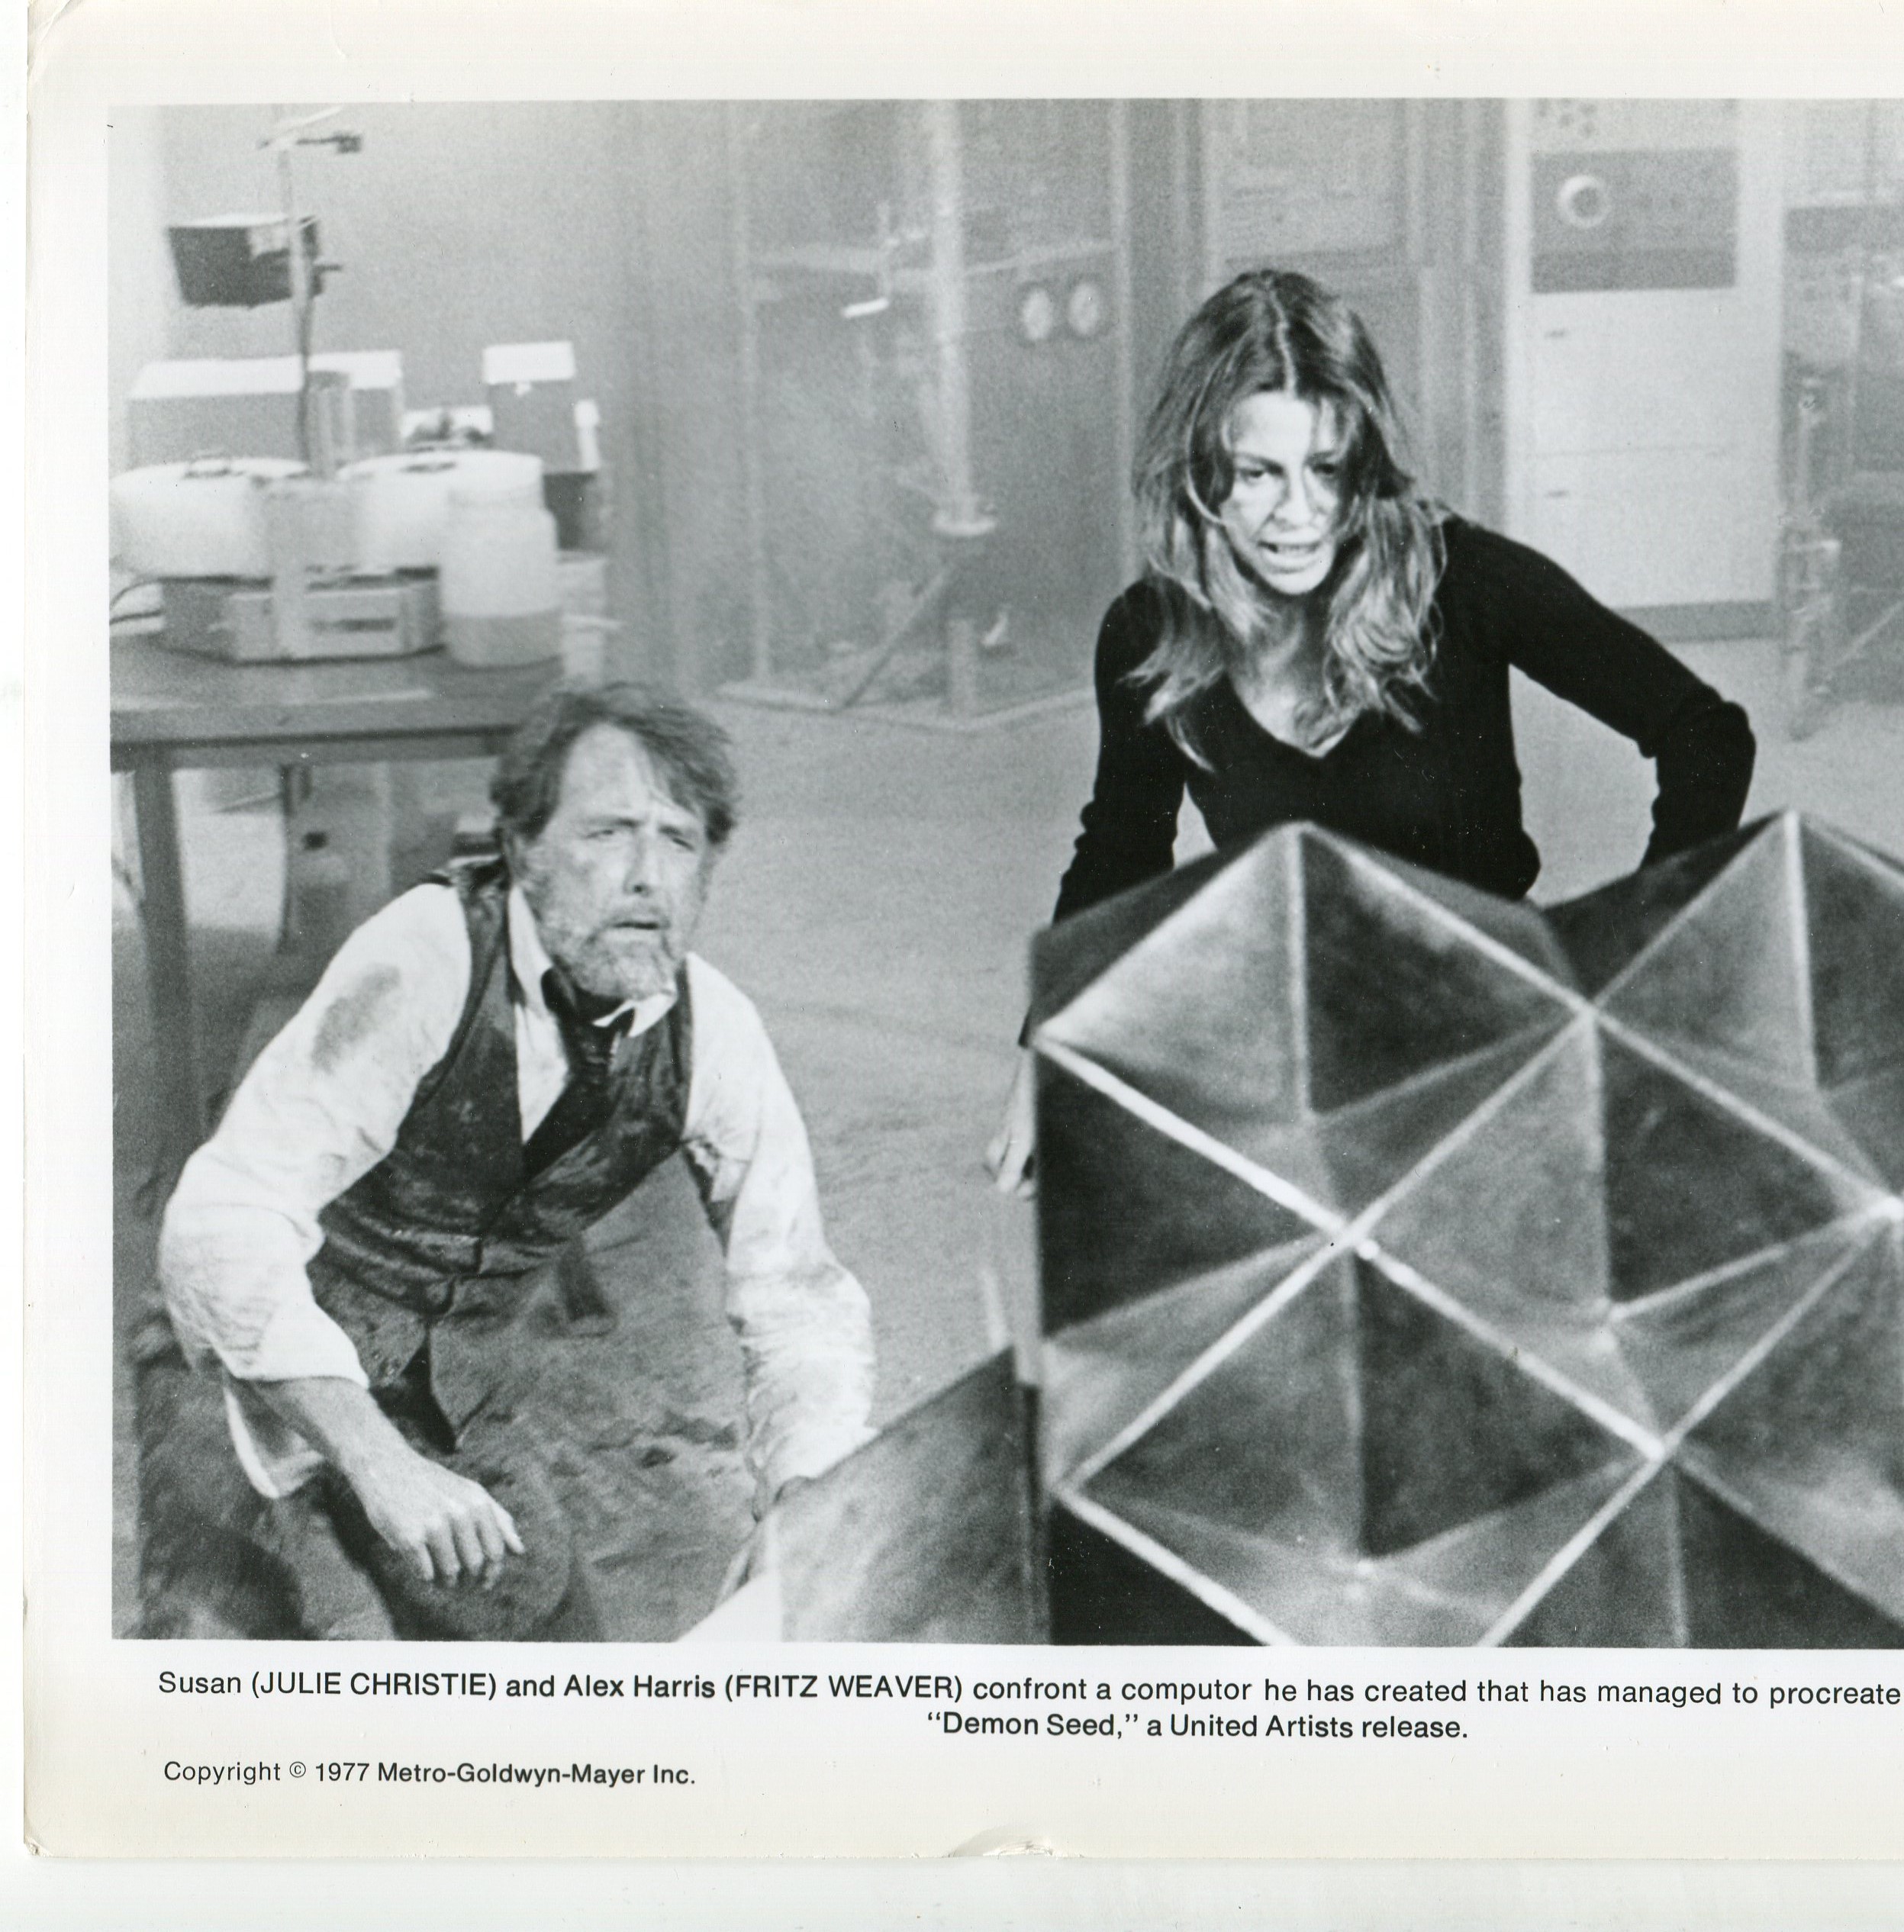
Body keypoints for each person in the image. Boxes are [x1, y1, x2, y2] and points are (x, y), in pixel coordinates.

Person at [987, 268, 1756, 1188]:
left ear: (1363, 465)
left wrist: (1639, 962)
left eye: (1325, 470)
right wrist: (1044, 1055)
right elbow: (1121, 850)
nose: (1299, 514)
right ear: (1197, 476)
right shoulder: (1149, 634)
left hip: (1490, 1032)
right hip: (1298, 1052)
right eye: (1257, 474)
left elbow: (1706, 735)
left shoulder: (1465, 582)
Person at [154, 681, 875, 1639]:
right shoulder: (428, 954)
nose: (646, 879)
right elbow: (223, 1220)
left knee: (566, 1695)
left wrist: (801, 1502)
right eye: (608, 833)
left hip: (453, 1413)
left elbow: (799, 1299)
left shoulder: (716, 1036)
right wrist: (378, 1464)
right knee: (230, 1687)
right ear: (523, 848)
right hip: (244, 1378)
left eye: (679, 842)